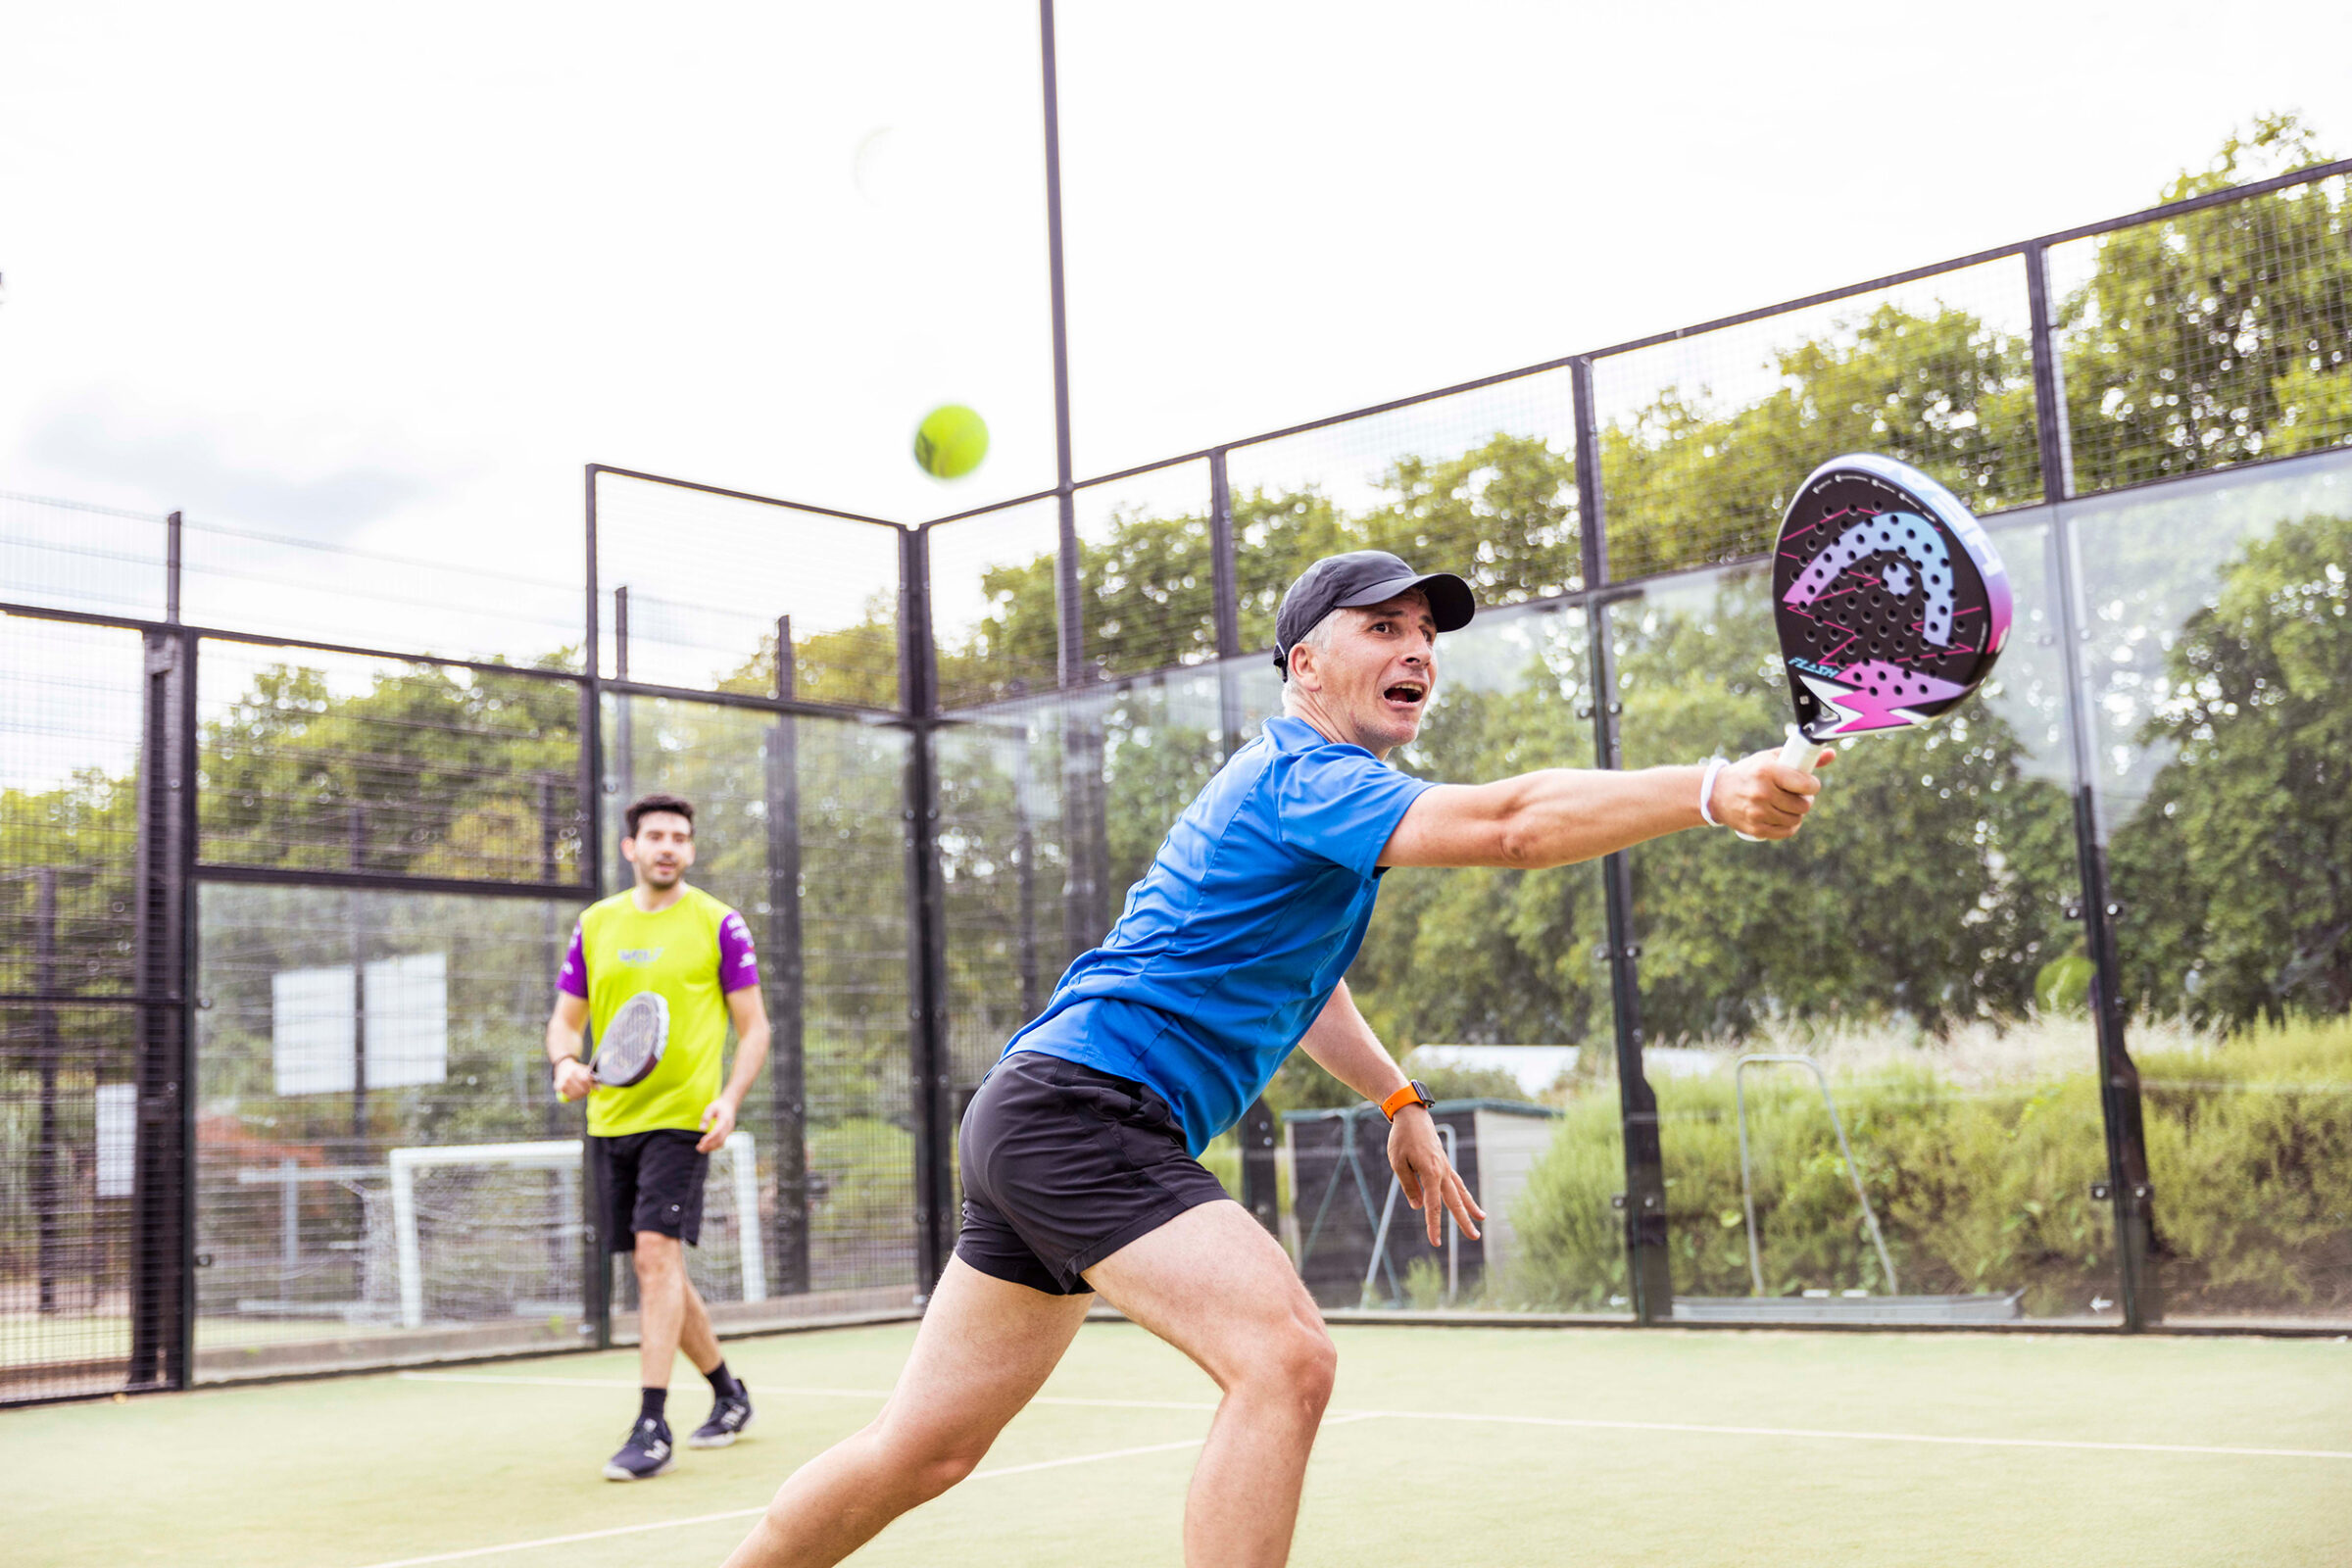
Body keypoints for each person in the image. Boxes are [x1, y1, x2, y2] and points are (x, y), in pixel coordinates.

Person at [719, 551, 1829, 1567]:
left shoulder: (1314, 796)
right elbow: (1513, 827)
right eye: (1383, 627)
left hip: (1043, 1111)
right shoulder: (1306, 776)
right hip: (1083, 1111)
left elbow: (1304, 988)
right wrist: (1710, 791)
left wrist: (1397, 1094)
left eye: (1427, 637)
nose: (1416, 652)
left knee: (925, 1450)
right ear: (1306, 662)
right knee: (1286, 1356)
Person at [546, 792, 773, 1481]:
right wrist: (564, 1063)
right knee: (660, 1269)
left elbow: (755, 1026)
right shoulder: (595, 924)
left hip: (682, 1123)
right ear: (630, 848)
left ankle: (652, 1422)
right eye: (655, 836)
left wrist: (729, 1101)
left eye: (679, 836)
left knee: (654, 1259)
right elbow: (566, 1022)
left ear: (692, 849)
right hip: (611, 1121)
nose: (667, 846)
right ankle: (729, 1393)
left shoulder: (720, 924)